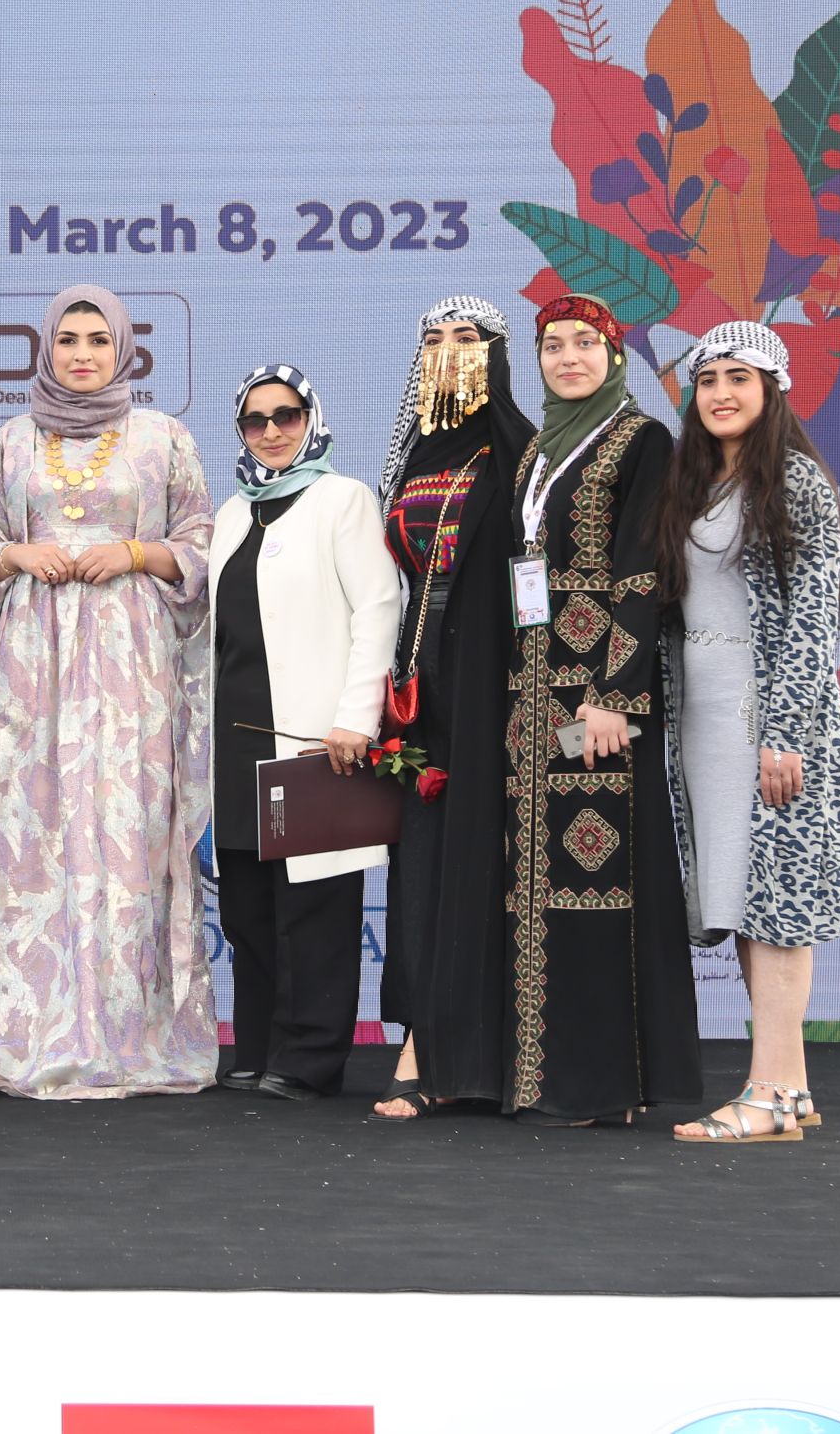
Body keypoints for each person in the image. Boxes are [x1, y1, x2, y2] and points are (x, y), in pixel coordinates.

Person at [0, 284, 217, 1099]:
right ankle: (26, 1027)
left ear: (124, 349)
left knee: (126, 832)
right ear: (46, 349)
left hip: (130, 664)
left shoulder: (163, 438)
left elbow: (200, 544)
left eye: (98, 340)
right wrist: (16, 556)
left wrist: (134, 553)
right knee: (30, 830)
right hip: (33, 665)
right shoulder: (12, 440)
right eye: (67, 339)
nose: (81, 354)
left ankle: (130, 1031)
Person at [495, 294, 701, 1124]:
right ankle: (544, 1075)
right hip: (533, 692)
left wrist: (615, 694)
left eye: (586, 342)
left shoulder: (642, 439)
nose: (568, 357)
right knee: (539, 882)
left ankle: (605, 1081)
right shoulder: (537, 451)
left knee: (600, 880)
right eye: (553, 345)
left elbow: (644, 570)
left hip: (598, 694)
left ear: (615, 355)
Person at [659, 322, 840, 1145]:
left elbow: (812, 620)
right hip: (703, 722)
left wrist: (785, 733)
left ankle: (767, 1093)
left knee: (778, 905)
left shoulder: (796, 481)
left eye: (739, 377)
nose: (721, 393)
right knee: (745, 903)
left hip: (770, 723)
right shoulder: (694, 482)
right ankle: (791, 1085)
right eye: (708, 380)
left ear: (773, 388)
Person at [207, 365, 401, 1101]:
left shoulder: (343, 500)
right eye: (254, 420)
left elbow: (378, 607)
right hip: (236, 736)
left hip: (315, 736)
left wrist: (356, 716)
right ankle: (256, 1046)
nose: (271, 432)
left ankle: (310, 1057)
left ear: (311, 418)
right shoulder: (231, 514)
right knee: (247, 907)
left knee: (315, 907)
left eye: (285, 415)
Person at [370, 297, 537, 1121]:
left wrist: (536, 681)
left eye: (466, 339)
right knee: (422, 861)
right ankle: (420, 1038)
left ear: (496, 353)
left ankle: (494, 1052)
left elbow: (538, 578)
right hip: (419, 681)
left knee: (489, 859)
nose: (447, 350)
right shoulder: (409, 456)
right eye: (432, 339)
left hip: (495, 676)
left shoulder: (524, 455)